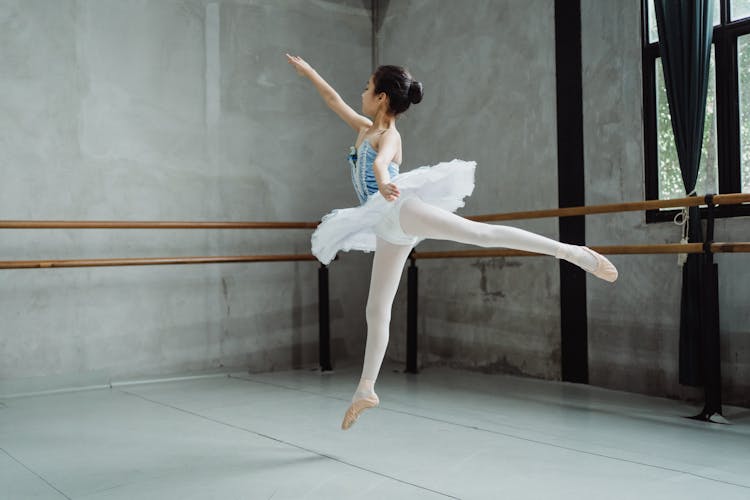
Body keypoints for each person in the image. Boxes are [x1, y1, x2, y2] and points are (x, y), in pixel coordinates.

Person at [285, 54, 617, 430]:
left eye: (366, 86)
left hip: (401, 210)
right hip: (385, 227)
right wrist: (310, 71)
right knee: (376, 309)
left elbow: (382, 163)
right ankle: (366, 388)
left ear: (380, 98)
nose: (360, 92)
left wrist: (381, 178)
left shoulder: (389, 136)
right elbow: (333, 100)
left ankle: (571, 252)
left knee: (480, 234)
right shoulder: (364, 128)